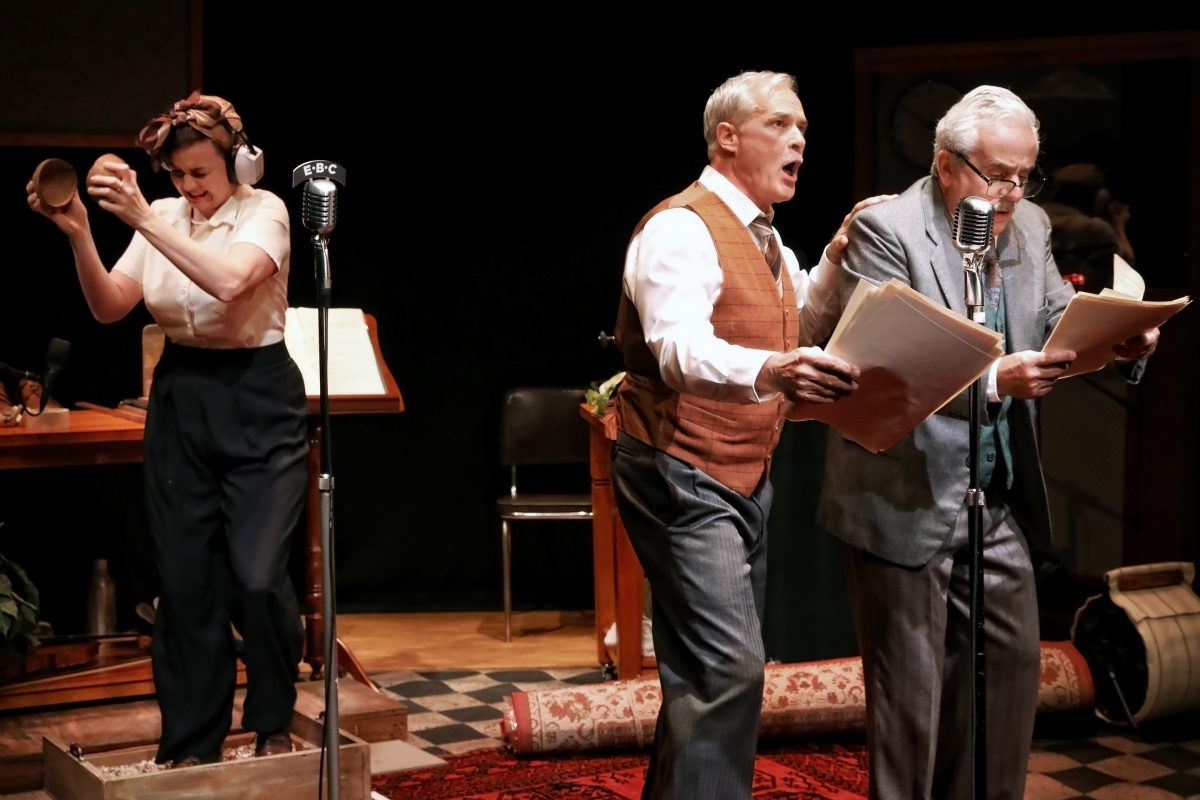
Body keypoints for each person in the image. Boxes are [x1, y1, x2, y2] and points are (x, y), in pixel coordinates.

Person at [817, 85, 1159, 799]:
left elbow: (1059, 315)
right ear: (947, 166)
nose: (1011, 192)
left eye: (1023, 174)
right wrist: (997, 381)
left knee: (1009, 677)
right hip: (902, 493)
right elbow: (888, 364)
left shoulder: (1030, 224)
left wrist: (1122, 336)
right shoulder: (888, 229)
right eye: (996, 174)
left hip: (994, 498)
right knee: (911, 706)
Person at [610, 70, 880, 799]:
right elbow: (677, 349)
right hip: (678, 462)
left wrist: (836, 256)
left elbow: (799, 324)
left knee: (705, 671)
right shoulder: (680, 227)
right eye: (780, 126)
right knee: (729, 668)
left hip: (740, 470)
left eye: (803, 131)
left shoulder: (764, 238)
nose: (798, 141)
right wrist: (774, 370)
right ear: (727, 138)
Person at [26, 92, 308, 767]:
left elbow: (232, 284)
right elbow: (110, 306)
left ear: (237, 164)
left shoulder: (262, 212)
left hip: (259, 397)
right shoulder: (164, 215)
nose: (189, 188)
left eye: (201, 174)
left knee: (260, 572)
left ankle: (272, 719)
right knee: (185, 583)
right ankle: (191, 741)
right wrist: (81, 234)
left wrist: (146, 221)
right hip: (182, 397)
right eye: (178, 176)